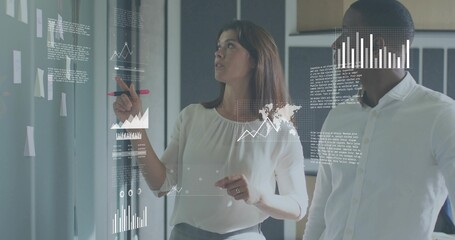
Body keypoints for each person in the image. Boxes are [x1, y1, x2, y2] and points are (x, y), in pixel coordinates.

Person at [114, 20, 308, 240]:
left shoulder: (280, 131)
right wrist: (134, 126)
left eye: (230, 46)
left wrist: (258, 196)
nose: (218, 53)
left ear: (255, 59)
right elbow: (160, 184)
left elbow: (298, 206)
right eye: (218, 46)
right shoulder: (192, 116)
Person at [303, 0, 455, 239]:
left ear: (375, 45)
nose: (335, 44)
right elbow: (321, 210)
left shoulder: (441, 116)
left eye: (346, 34)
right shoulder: (338, 117)